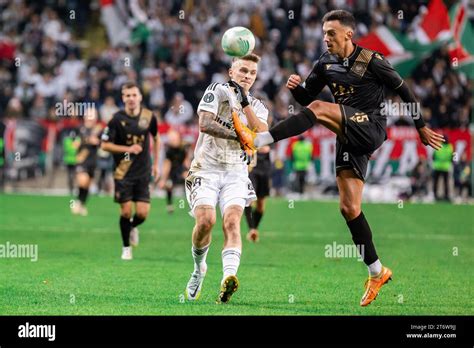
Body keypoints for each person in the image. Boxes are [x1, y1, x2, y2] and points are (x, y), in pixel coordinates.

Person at [232, 10, 444, 306]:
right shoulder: (325, 63)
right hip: (347, 132)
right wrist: (297, 91)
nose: (326, 38)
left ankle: (259, 139)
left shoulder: (372, 60)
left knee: (321, 108)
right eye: (324, 32)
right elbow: (308, 101)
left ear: (348, 34)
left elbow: (404, 91)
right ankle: (377, 271)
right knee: (349, 208)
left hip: (371, 126)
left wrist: (420, 126)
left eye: (331, 33)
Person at [184, 53, 268, 304]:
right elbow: (205, 123)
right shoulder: (216, 91)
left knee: (232, 222)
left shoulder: (259, 106)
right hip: (206, 168)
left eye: (252, 73)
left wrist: (244, 104)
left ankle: (228, 279)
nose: (247, 76)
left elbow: (262, 136)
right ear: (232, 72)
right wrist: (239, 135)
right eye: (243, 70)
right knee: (206, 221)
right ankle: (199, 269)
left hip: (235, 172)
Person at [101, 82, 160, 260]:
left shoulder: (149, 117)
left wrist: (156, 164)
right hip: (123, 172)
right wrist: (127, 150)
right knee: (125, 212)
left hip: (143, 171)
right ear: (123, 98)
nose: (131, 98)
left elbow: (156, 139)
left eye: (134, 95)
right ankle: (126, 247)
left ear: (140, 97)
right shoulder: (116, 119)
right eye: (128, 95)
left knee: (142, 213)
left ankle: (133, 226)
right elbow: (104, 145)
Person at [71, 108, 102, 216]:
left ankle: (81, 204)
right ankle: (77, 202)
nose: (91, 117)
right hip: (81, 160)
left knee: (87, 185)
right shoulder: (79, 128)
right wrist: (87, 140)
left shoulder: (99, 129)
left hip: (93, 161)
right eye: (89, 115)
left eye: (93, 115)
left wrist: (98, 142)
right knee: (82, 181)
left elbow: (104, 143)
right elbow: (74, 142)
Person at [159, 129, 191, 213]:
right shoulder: (169, 150)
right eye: (170, 139)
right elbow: (167, 165)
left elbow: (186, 160)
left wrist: (189, 171)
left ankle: (190, 203)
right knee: (169, 185)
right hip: (172, 170)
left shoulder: (184, 146)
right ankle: (170, 205)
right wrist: (163, 179)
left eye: (173, 138)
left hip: (181, 168)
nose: (172, 140)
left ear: (178, 138)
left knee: (187, 179)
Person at [244, 145, 271, 242]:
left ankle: (254, 228)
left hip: (264, 171)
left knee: (261, 205)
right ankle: (252, 229)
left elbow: (267, 147)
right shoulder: (247, 131)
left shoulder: (267, 131)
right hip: (252, 171)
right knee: (250, 199)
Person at [432, 136, 453, 201]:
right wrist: (453, 162)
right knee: (446, 182)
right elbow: (453, 156)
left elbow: (433, 156)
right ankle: (446, 196)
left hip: (437, 166)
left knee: (436, 182)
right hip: (446, 167)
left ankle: (435, 195)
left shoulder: (438, 145)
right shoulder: (450, 147)